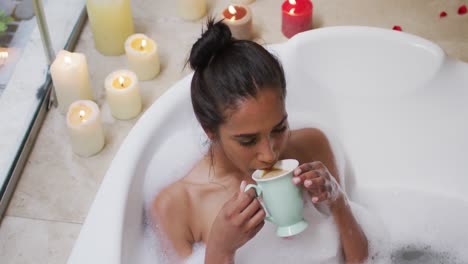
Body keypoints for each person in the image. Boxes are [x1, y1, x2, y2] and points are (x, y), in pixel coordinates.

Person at [151, 19, 368, 264]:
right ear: (210, 131)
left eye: (279, 128)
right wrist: (221, 249)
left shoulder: (312, 146)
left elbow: (361, 259)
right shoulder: (177, 206)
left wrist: (337, 201)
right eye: (248, 140)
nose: (269, 154)